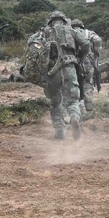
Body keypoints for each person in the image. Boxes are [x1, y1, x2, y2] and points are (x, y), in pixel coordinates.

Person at [41, 11, 89, 140]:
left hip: (53, 69)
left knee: (56, 102)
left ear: (50, 22)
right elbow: (86, 43)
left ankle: (59, 131)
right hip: (70, 67)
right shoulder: (71, 31)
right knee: (73, 99)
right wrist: (79, 57)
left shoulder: (44, 33)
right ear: (64, 20)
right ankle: (74, 117)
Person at [70, 19, 102, 113]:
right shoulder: (89, 33)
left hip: (72, 63)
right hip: (87, 62)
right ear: (82, 26)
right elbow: (98, 41)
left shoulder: (69, 33)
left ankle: (75, 108)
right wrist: (96, 54)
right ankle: (88, 106)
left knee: (73, 84)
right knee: (87, 83)